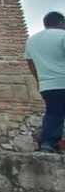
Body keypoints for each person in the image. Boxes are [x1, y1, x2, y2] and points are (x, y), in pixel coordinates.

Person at [25, 11, 65, 153]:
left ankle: (48, 143)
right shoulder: (62, 35)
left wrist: (40, 79)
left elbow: (30, 63)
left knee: (53, 113)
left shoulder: (31, 40)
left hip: (46, 85)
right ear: (61, 23)